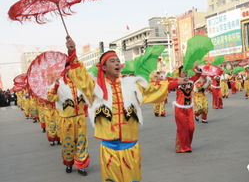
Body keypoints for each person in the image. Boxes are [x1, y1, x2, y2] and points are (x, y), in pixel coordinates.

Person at [59, 36, 174, 181]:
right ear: (104, 68)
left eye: (118, 61)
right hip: (109, 150)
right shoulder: (96, 89)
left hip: (131, 147)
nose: (117, 63)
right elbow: (82, 77)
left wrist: (174, 83)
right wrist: (72, 51)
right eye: (112, 61)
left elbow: (151, 90)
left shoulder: (131, 84)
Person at [48, 44, 90, 176]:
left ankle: (82, 165)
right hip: (66, 120)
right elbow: (51, 98)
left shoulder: (80, 83)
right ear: (65, 71)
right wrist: (55, 86)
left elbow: (87, 96)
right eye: (69, 70)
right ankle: (69, 163)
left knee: (82, 141)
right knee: (68, 143)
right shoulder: (58, 84)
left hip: (80, 119)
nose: (71, 72)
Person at [168, 65, 201, 152]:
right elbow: (168, 86)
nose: (185, 73)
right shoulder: (177, 81)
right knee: (183, 128)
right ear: (179, 73)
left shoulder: (191, 80)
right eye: (183, 72)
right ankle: (183, 147)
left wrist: (196, 67)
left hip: (189, 108)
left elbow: (198, 75)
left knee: (191, 128)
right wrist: (178, 82)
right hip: (179, 108)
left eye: (186, 71)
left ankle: (187, 144)